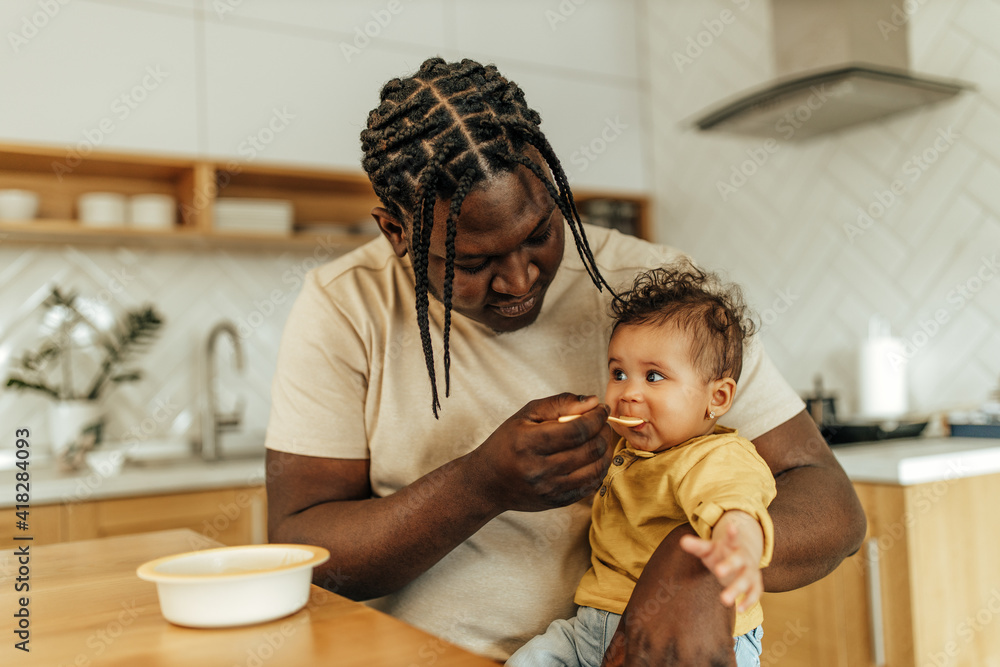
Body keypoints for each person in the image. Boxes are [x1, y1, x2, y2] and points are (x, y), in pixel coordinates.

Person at [264, 57, 866, 664]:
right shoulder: (345, 306)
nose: (521, 279)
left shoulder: (666, 301)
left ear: (553, 190)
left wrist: (696, 563)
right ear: (397, 232)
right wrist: (481, 485)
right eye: (474, 263)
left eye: (539, 233)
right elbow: (302, 548)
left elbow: (830, 502)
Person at [508, 264, 776, 667]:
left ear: (717, 398)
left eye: (653, 376)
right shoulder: (623, 448)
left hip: (686, 639)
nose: (628, 393)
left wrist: (738, 550)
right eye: (618, 373)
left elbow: (736, 507)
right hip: (589, 628)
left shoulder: (716, 458)